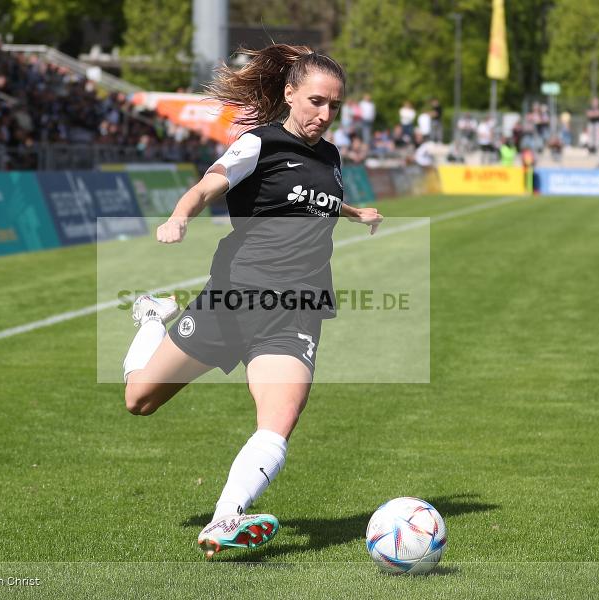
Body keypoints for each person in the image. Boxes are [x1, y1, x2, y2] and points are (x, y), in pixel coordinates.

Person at [120, 44, 383, 560]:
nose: (325, 115)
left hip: (297, 312)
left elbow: (312, 200)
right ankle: (153, 318)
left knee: (278, 417)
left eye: (334, 106)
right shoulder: (256, 144)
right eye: (315, 102)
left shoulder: (329, 156)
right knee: (140, 399)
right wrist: (178, 217)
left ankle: (226, 517)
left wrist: (355, 212)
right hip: (232, 301)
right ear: (289, 94)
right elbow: (205, 187)